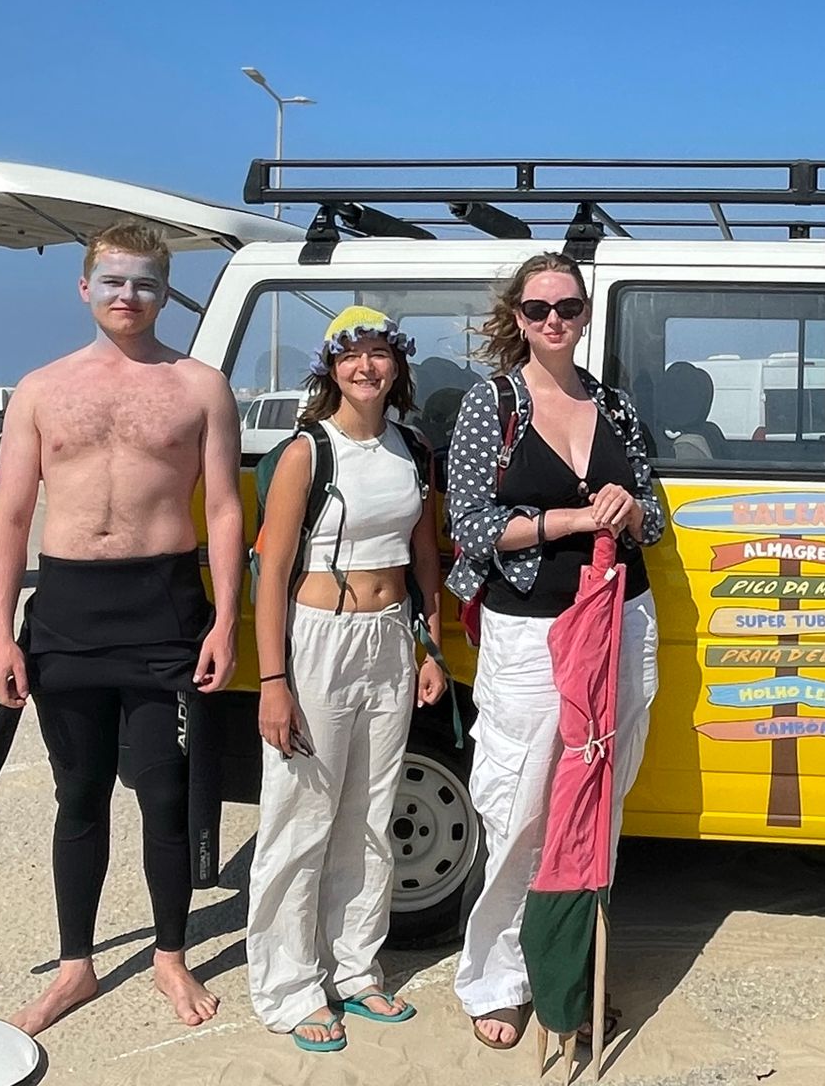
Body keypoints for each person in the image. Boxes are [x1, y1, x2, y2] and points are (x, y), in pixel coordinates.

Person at [0, 220, 243, 1035]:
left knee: (165, 794)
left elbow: (228, 511)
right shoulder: (40, 388)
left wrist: (225, 622)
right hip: (65, 610)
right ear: (85, 287)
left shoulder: (200, 386)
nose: (129, 297)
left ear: (167, 293)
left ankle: (171, 955)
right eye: (114, 281)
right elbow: (11, 515)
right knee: (79, 794)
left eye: (146, 284)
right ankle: (76, 967)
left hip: (163, 606)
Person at [445, 251, 663, 1051]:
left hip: (620, 617)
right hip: (531, 629)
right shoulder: (490, 405)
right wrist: (568, 522)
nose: (554, 322)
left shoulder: (614, 405)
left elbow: (656, 514)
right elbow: (467, 524)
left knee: (598, 807)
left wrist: (629, 509)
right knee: (523, 805)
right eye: (538, 309)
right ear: (517, 316)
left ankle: (572, 974)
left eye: (567, 307)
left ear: (584, 311)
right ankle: (497, 978)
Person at [244, 307, 448, 1052]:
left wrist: (431, 647)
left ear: (398, 365)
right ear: (330, 367)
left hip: (391, 637)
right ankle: (289, 986)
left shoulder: (410, 447)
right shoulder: (307, 452)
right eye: (352, 355)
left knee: (370, 814)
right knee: (302, 816)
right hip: (319, 640)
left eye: (381, 354)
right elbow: (271, 573)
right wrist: (273, 679)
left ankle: (355, 970)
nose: (368, 368)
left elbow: (423, 552)